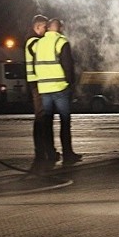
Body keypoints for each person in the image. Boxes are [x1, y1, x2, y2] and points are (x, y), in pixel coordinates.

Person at [33, 18, 82, 168]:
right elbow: (68, 65)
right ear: (59, 28)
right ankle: (68, 154)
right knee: (64, 122)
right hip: (60, 87)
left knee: (47, 122)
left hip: (44, 88)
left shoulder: (38, 44)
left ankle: (50, 153)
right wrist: (70, 84)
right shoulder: (61, 42)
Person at [25, 15, 58, 174]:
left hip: (43, 83)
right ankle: (40, 153)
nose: (46, 30)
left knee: (46, 118)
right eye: (45, 27)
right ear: (37, 27)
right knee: (41, 118)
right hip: (37, 84)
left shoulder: (38, 41)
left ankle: (49, 151)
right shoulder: (33, 42)